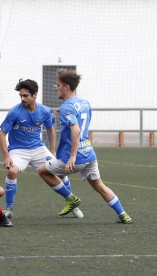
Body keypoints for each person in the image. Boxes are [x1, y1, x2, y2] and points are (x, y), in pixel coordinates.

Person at [38, 69, 132, 223]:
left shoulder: (67, 108)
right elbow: (81, 122)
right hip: (89, 154)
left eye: (58, 85)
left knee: (43, 171)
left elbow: (75, 129)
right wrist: (64, 111)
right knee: (100, 186)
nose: (56, 88)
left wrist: (72, 157)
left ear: (66, 87)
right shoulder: (84, 103)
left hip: (74, 157)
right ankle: (123, 215)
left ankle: (70, 199)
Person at [0, 79, 83, 218]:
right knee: (12, 172)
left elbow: (50, 130)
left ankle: (72, 205)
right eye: (21, 96)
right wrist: (7, 156)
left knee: (61, 173)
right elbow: (2, 135)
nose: (22, 99)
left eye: (26, 95)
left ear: (35, 94)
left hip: (38, 148)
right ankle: (9, 209)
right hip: (18, 150)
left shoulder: (45, 111)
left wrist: (53, 150)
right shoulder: (14, 112)